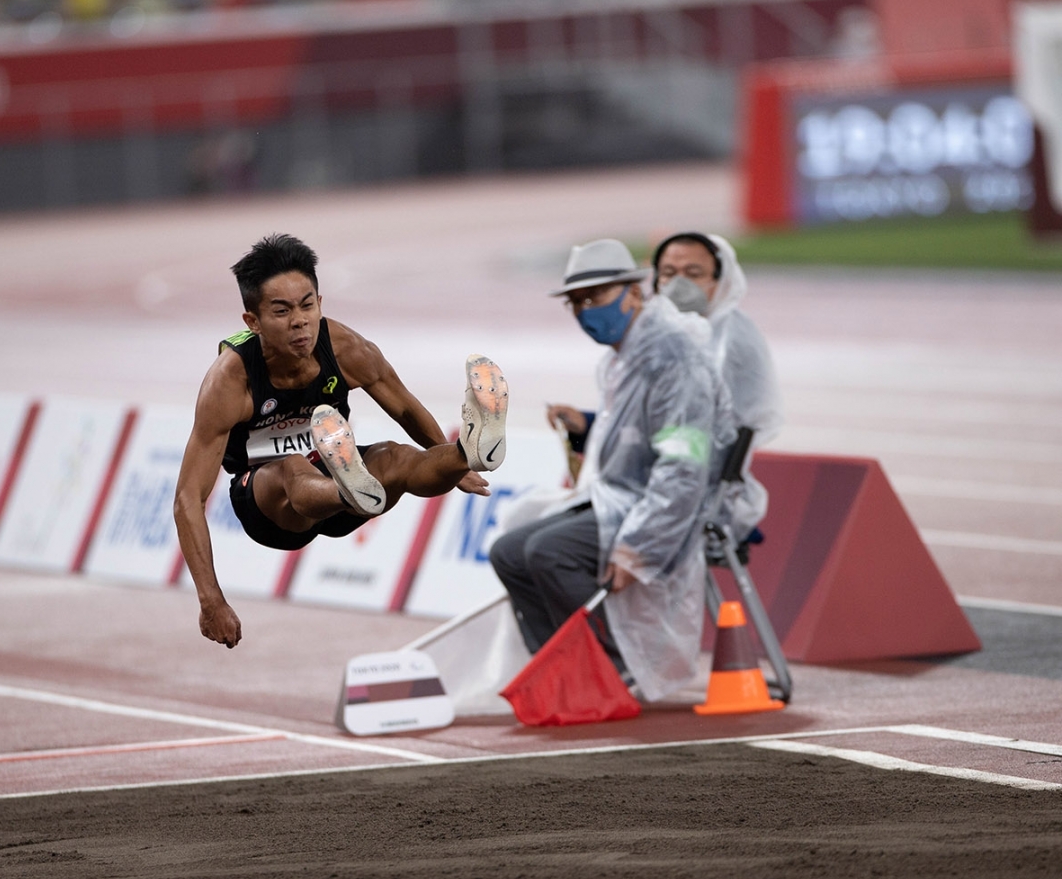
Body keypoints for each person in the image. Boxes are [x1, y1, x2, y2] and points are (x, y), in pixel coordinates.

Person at [174, 233, 510, 649]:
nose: (299, 321)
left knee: (397, 457)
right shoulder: (231, 379)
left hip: (337, 474)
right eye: (281, 311)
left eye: (307, 305)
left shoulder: (345, 347)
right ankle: (347, 487)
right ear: (253, 322)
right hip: (272, 507)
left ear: (320, 302)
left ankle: (469, 449)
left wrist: (452, 463)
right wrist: (211, 600)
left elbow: (404, 407)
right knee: (292, 469)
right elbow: (188, 497)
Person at [489, 238, 733, 700]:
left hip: (672, 509)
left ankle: (615, 667)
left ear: (635, 293)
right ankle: (565, 668)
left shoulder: (674, 357)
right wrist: (587, 425)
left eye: (595, 297)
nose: (585, 311)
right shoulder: (623, 357)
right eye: (576, 302)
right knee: (509, 551)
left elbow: (684, 466)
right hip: (623, 498)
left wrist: (638, 546)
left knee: (548, 551)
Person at [651, 232, 783, 540]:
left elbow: (718, 433)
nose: (678, 284)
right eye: (668, 273)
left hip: (699, 491)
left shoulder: (733, 341)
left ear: (720, 280)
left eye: (693, 274)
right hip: (653, 472)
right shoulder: (658, 333)